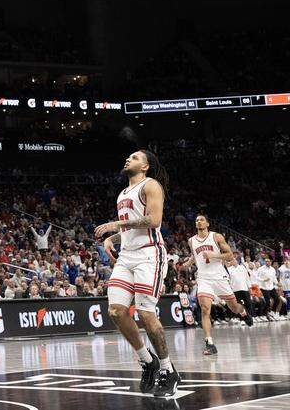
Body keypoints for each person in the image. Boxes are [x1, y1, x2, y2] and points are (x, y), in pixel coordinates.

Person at [95, 150, 180, 397]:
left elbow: (153, 221)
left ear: (145, 166)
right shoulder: (123, 193)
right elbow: (132, 229)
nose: (127, 159)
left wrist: (116, 225)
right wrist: (113, 237)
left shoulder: (151, 185)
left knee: (145, 313)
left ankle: (168, 369)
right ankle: (147, 360)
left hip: (149, 254)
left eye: (133, 157)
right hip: (127, 256)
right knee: (116, 311)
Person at [184, 215, 253, 355]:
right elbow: (195, 255)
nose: (199, 222)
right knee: (204, 309)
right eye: (197, 220)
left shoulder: (216, 237)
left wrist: (214, 256)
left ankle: (243, 312)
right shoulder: (191, 241)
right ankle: (209, 343)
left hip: (219, 277)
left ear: (208, 223)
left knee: (234, 307)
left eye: (201, 219)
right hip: (203, 278)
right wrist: (189, 262)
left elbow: (229, 255)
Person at [227, 257, 254, 326]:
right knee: (239, 305)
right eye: (231, 260)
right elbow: (228, 280)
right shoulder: (229, 270)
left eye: (234, 260)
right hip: (235, 290)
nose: (233, 261)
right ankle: (242, 319)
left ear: (237, 261)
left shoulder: (242, 268)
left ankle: (249, 318)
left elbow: (247, 278)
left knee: (248, 304)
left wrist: (249, 287)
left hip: (244, 288)